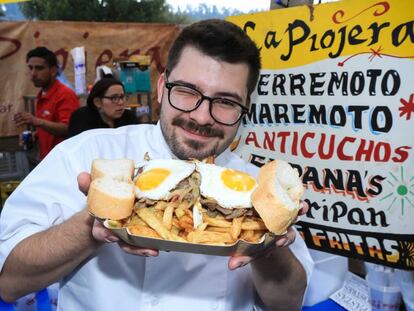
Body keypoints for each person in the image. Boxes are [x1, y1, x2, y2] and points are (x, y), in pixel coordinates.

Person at [0, 20, 313, 311]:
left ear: (245, 109)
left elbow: (289, 303)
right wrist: (90, 228)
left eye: (227, 102)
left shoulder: (258, 189)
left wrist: (269, 249)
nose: (202, 117)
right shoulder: (87, 154)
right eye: (188, 92)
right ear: (162, 87)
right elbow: (9, 282)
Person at [13, 46, 80, 161]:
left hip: (63, 162)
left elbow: (69, 129)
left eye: (39, 68)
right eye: (31, 68)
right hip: (48, 161)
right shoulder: (43, 94)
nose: (33, 73)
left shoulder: (65, 94)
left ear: (53, 70)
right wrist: (36, 135)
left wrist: (37, 121)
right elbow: (51, 126)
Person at [68, 77, 139, 137]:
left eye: (122, 97)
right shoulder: (81, 118)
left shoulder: (129, 118)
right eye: (114, 98)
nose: (120, 102)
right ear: (97, 102)